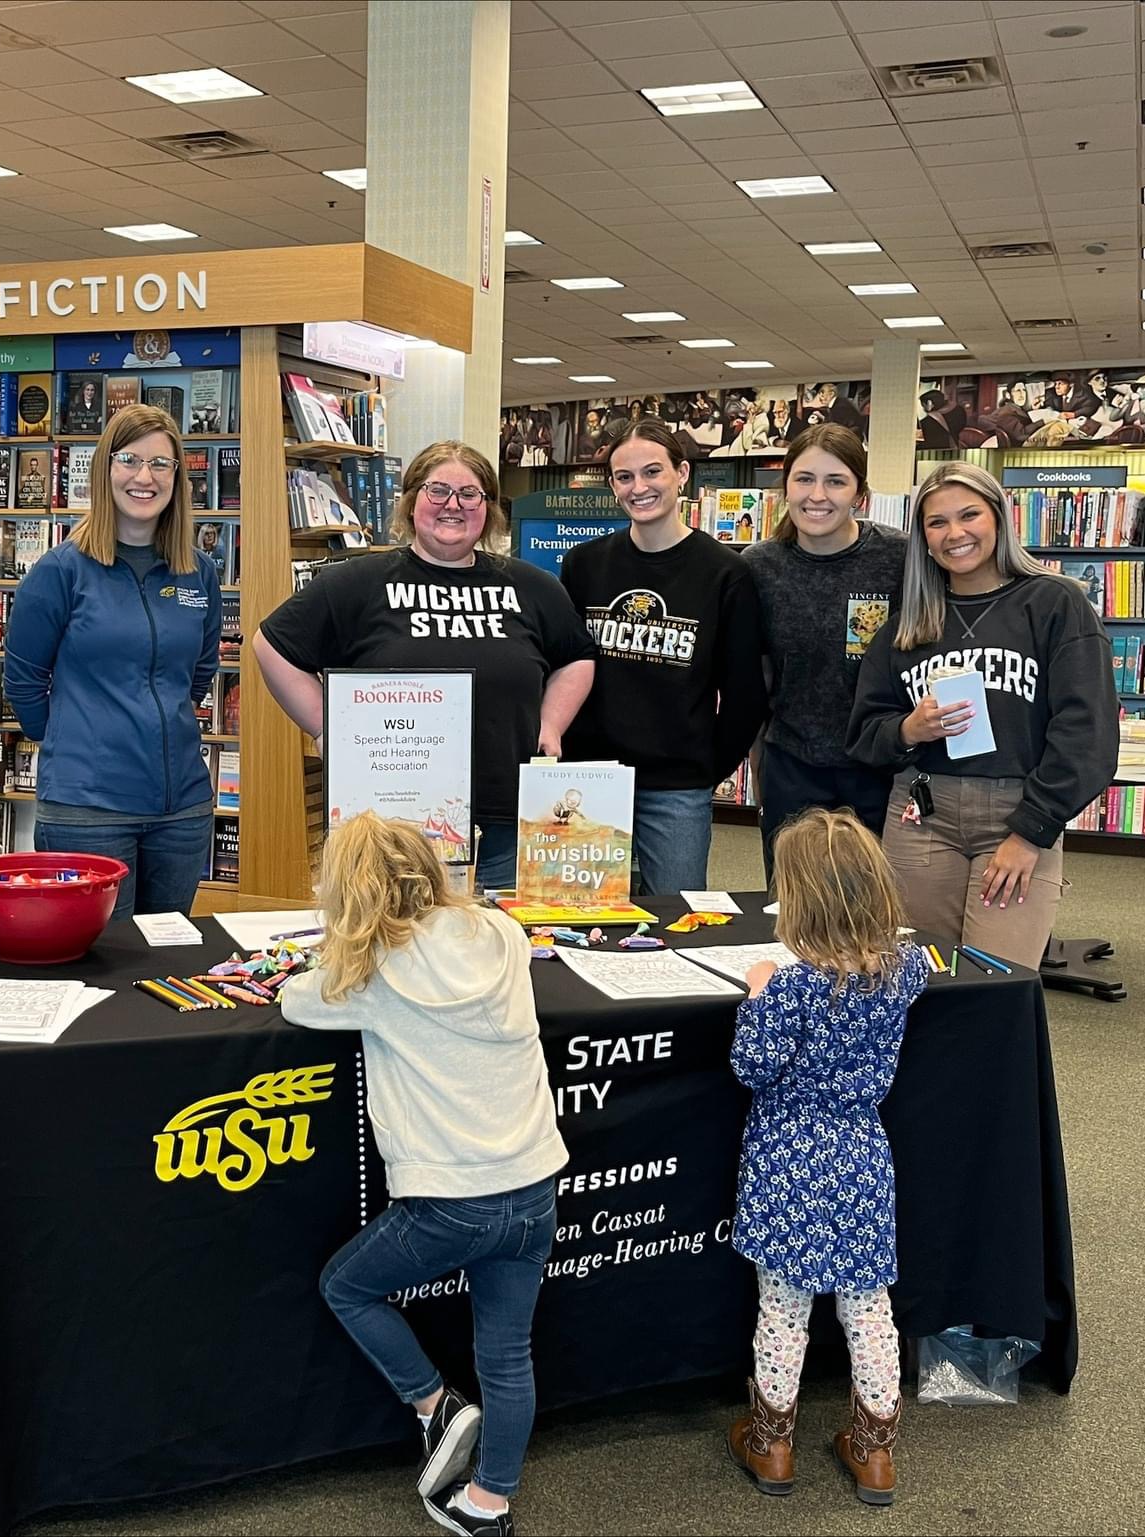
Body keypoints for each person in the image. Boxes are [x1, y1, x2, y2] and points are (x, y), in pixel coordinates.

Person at [282, 812, 566, 1537]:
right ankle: (488, 1502)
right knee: (508, 1353)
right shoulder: (501, 933)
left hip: (450, 1201)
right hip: (535, 1185)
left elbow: (295, 999)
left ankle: (432, 1402)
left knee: (345, 1284)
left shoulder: (370, 970)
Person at [252, 441, 595, 888]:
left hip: (507, 823)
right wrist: (327, 728)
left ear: (488, 508)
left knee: (501, 951)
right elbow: (271, 645)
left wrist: (551, 724)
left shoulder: (533, 586)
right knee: (392, 948)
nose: (452, 505)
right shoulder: (359, 582)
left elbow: (577, 656)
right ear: (412, 501)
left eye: (469, 494)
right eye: (437, 491)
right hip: (391, 830)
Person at [725, 808, 930, 1507]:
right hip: (862, 1159)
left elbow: (752, 1066)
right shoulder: (904, 972)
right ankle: (874, 1454)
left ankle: (772, 1441)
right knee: (869, 1307)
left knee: (783, 1310)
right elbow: (906, 970)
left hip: (790, 1159)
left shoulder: (789, 987)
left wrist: (757, 991)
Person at [848, 461, 1120, 969]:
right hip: (920, 815)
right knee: (914, 979)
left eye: (969, 514)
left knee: (996, 982)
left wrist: (1030, 832)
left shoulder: (1053, 602)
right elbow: (865, 733)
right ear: (922, 538)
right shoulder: (909, 620)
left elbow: (1088, 733)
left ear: (998, 518)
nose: (955, 533)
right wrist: (909, 728)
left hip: (1017, 811)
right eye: (936, 522)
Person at [4, 402, 220, 919]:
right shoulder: (61, 571)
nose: (144, 477)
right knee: (102, 969)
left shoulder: (199, 573)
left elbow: (200, 673)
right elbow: (24, 681)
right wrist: (76, 741)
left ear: (176, 478)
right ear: (105, 471)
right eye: (129, 460)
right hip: (88, 810)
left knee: (165, 966)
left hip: (182, 810)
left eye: (160, 464)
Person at [558, 420, 766, 891]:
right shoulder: (583, 565)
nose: (640, 487)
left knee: (677, 921)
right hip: (589, 778)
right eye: (624, 477)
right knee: (575, 917)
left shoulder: (725, 573)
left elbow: (745, 694)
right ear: (612, 485)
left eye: (653, 472)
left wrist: (703, 770)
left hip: (675, 788)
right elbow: (563, 664)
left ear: (682, 473)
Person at [743, 424, 905, 881]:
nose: (818, 495)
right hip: (791, 764)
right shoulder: (758, 566)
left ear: (860, 493)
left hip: (880, 766)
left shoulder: (900, 558)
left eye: (835, 481)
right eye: (804, 479)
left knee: (874, 909)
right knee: (792, 906)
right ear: (786, 486)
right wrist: (760, 765)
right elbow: (755, 675)